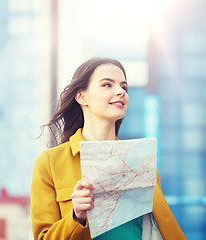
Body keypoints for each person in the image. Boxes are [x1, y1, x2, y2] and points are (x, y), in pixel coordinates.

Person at [31, 57, 186, 240]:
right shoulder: (50, 162)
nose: (120, 92)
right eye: (107, 85)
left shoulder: (141, 161)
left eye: (124, 87)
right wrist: (76, 217)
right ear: (81, 96)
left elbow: (161, 227)